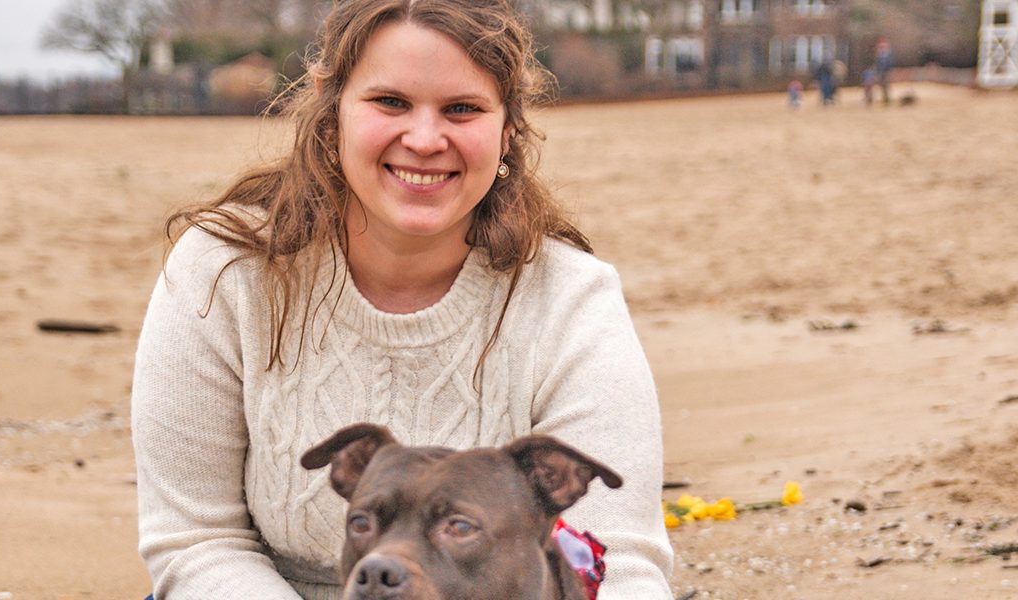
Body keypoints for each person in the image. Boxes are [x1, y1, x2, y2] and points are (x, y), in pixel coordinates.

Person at [130, 1, 674, 599]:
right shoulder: (224, 270)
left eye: (461, 109)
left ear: (508, 130)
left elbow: (612, 562)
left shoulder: (569, 300)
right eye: (390, 102)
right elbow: (196, 540)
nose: (423, 138)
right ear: (330, 108)